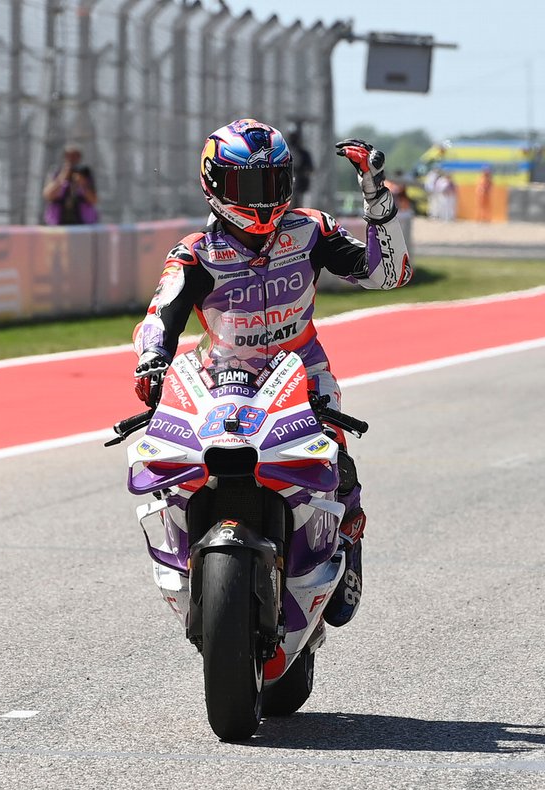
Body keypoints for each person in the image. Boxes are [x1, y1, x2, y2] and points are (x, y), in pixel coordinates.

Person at [132, 118, 413, 627]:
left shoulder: (312, 230)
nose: (262, 199)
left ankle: (347, 541)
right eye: (247, 186)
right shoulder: (194, 253)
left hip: (303, 375)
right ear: (215, 184)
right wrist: (151, 360)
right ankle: (184, 554)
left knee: (336, 465)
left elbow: (387, 274)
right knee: (174, 471)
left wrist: (375, 194)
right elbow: (160, 316)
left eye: (273, 184)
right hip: (220, 379)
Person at [42, 144, 99, 225]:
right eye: (68, 155)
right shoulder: (56, 172)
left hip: (83, 222)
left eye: (75, 156)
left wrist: (82, 184)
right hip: (58, 222)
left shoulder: (85, 173)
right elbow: (48, 195)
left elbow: (94, 200)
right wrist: (62, 177)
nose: (71, 159)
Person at [287, 126, 314, 208]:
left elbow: (310, 169)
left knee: (302, 208)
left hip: (301, 187)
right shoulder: (286, 153)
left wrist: (301, 173)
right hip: (290, 188)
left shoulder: (304, 154)